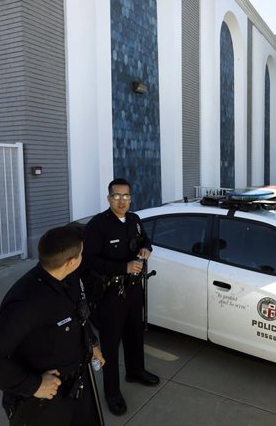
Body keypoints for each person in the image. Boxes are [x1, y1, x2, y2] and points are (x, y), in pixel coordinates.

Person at [0, 226, 105, 426]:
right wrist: (34, 385)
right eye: (81, 253)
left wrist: (92, 343)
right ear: (71, 262)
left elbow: (79, 315)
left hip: (78, 383)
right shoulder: (26, 303)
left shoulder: (70, 278)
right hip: (45, 401)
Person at [83, 178, 158, 416]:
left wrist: (147, 249)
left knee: (135, 334)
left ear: (131, 198)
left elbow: (144, 240)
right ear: (108, 198)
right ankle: (112, 392)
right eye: (117, 196)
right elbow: (89, 261)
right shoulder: (97, 225)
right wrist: (123, 268)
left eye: (126, 196)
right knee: (110, 344)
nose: (122, 201)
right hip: (110, 293)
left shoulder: (134, 220)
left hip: (134, 289)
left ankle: (135, 371)